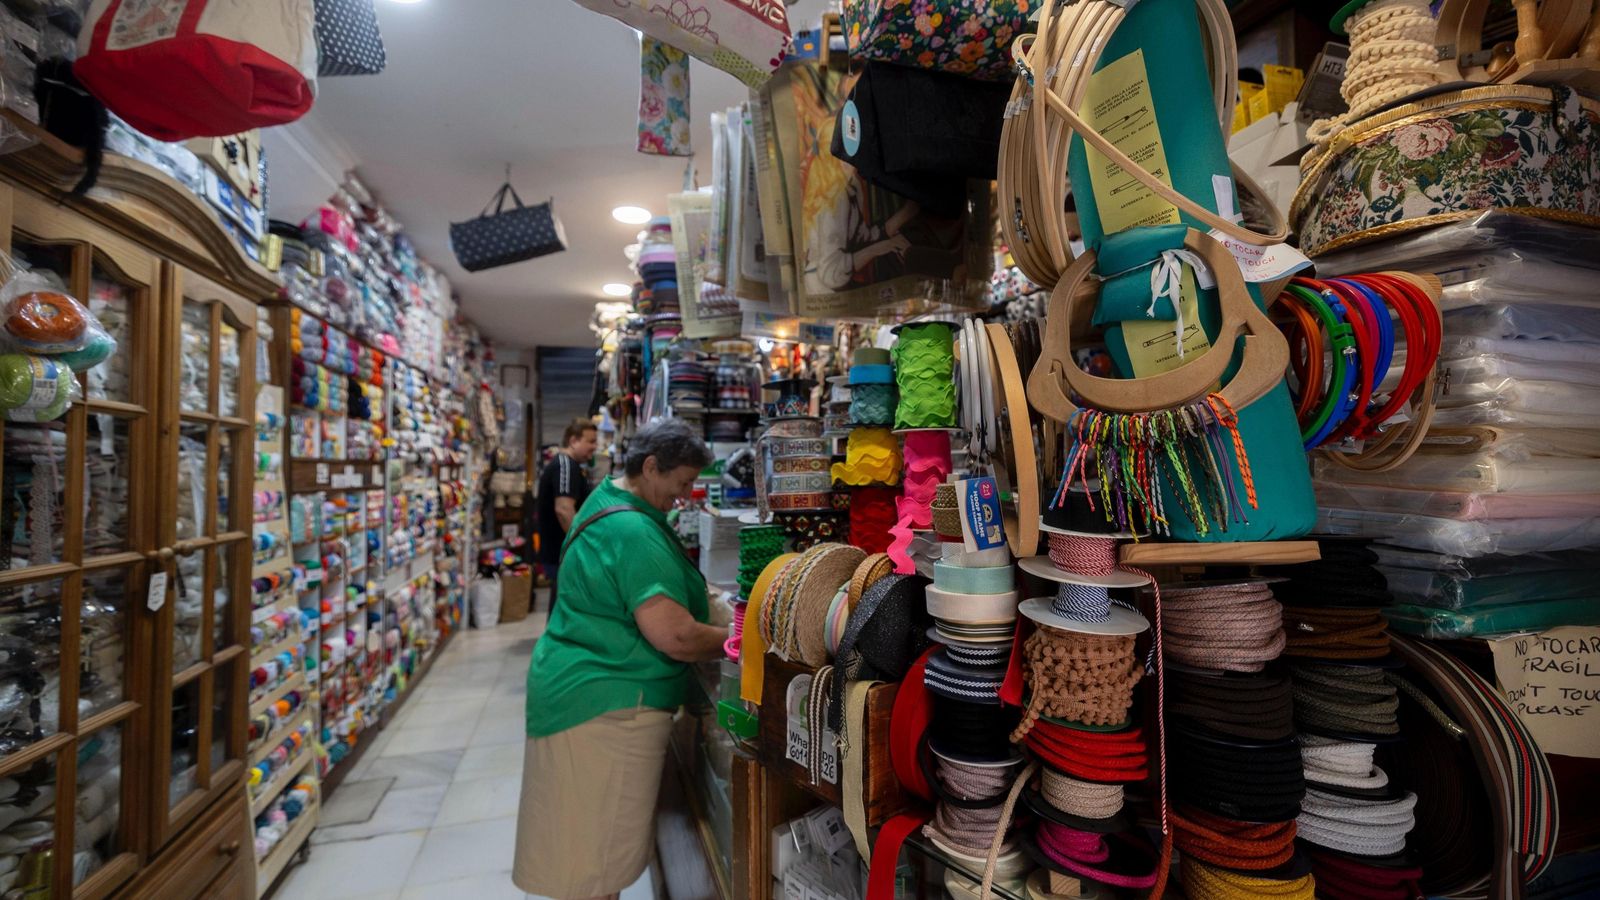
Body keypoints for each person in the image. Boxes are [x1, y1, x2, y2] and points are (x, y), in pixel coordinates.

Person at [513, 418, 726, 900]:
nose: (685, 495)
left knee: (584, 858)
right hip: (605, 706)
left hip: (581, 692)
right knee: (592, 866)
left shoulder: (609, 500)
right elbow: (674, 635)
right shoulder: (632, 529)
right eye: (683, 483)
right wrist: (736, 639)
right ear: (651, 467)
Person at [536, 418, 598, 611]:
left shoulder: (569, 466)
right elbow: (563, 509)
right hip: (561, 552)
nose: (594, 447)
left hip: (562, 552)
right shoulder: (565, 465)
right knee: (563, 609)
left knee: (562, 608)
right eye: (591, 441)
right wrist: (580, 544)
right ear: (573, 441)